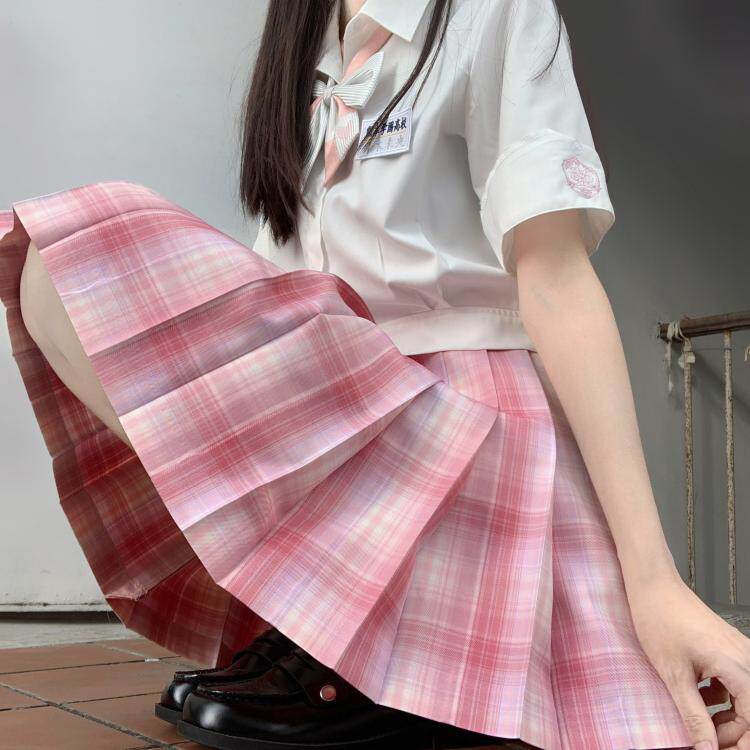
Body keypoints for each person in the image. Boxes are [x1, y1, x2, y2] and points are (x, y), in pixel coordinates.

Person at [2, 0, 748, 749]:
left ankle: (400, 656)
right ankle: (327, 622)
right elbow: (284, 278)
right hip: (347, 399)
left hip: (462, 416)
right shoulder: (305, 40)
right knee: (55, 269)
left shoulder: (493, 11)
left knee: (95, 226)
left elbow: (554, 276)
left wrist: (653, 578)